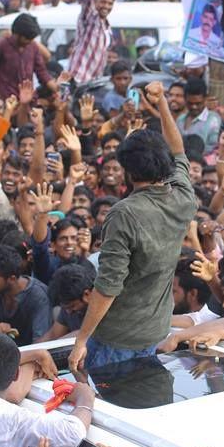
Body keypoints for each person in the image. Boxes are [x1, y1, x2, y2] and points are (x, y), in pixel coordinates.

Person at [69, 81, 193, 373]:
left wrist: (81, 339)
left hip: (118, 337)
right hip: (155, 329)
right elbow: (178, 150)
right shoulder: (183, 197)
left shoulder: (124, 213)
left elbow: (108, 286)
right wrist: (161, 101)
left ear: (127, 170)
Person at [70, 0, 113, 84]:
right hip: (78, 79)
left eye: (110, 3)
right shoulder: (90, 18)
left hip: (94, 82)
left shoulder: (107, 27)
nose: (106, 6)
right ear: (96, 2)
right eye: (103, 2)